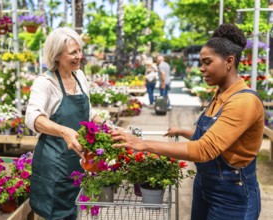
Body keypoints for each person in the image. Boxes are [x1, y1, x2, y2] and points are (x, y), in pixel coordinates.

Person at [110, 23, 264, 220]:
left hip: (232, 195)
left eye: (207, 62)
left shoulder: (244, 101)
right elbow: (220, 138)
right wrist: (185, 131)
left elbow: (205, 149)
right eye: (201, 62)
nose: (201, 68)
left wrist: (142, 144)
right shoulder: (221, 94)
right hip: (205, 186)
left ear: (229, 61)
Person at [25, 27, 106, 220]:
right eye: (73, 52)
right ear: (57, 55)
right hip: (55, 163)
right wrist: (63, 131)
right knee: (57, 212)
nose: (80, 56)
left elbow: (88, 110)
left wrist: (106, 126)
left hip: (77, 161)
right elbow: (32, 117)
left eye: (80, 50)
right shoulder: (45, 83)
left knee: (74, 209)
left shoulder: (80, 77)